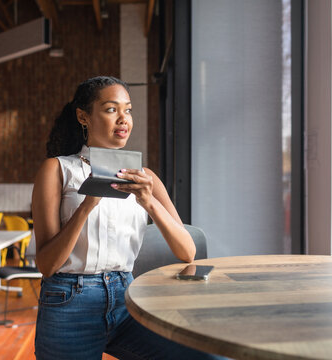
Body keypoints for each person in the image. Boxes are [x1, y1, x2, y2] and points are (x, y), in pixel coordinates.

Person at [32, 76, 221, 360]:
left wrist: (148, 201)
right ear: (84, 116)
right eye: (111, 109)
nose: (123, 119)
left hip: (128, 298)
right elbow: (47, 265)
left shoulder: (146, 179)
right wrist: (86, 206)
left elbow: (188, 251)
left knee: (208, 357)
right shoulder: (58, 169)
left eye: (128, 110)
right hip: (69, 302)